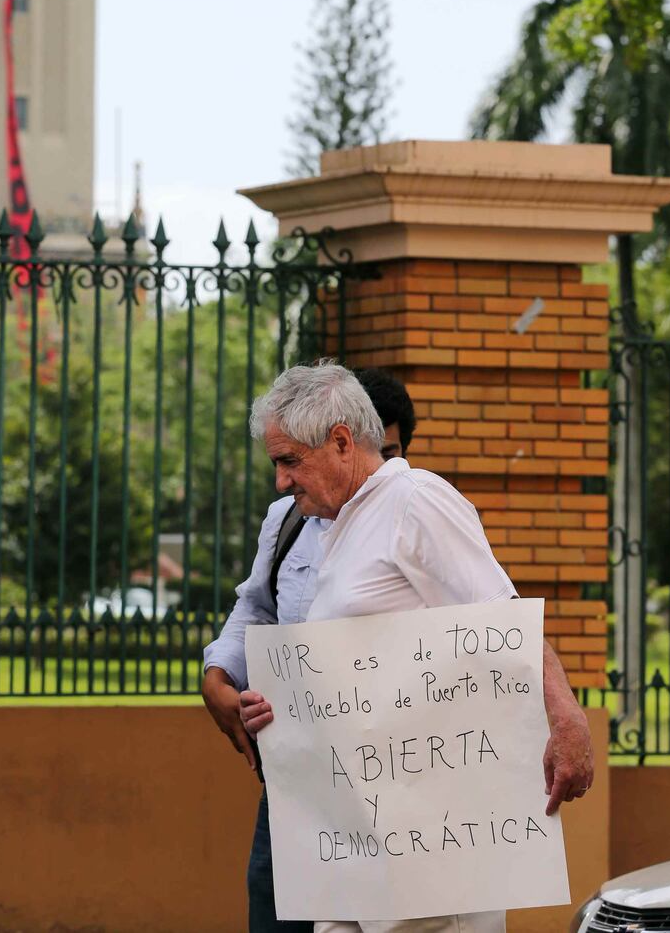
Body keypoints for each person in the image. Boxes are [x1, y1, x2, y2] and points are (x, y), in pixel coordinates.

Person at [239, 362, 594, 933]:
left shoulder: (413, 500)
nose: (282, 480)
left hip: (428, 847)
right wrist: (279, 710)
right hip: (355, 839)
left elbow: (501, 619)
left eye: (290, 461)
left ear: (341, 442)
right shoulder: (344, 522)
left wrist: (567, 719)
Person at [203, 367, 416, 933]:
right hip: (294, 786)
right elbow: (257, 607)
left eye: (390, 452)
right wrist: (219, 673)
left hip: (391, 796)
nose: (381, 467)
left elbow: (482, 630)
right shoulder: (288, 519)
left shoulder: (416, 515)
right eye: (282, 462)